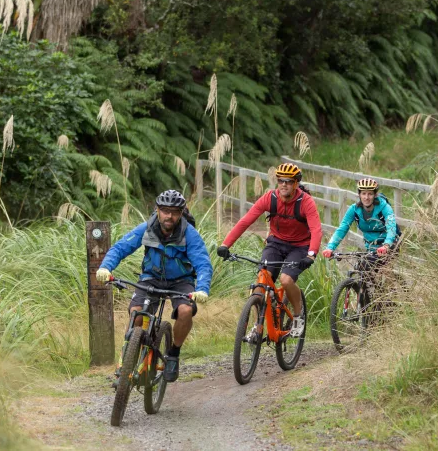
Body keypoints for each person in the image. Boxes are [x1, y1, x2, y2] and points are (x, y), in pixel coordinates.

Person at [96, 190, 213, 383]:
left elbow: (203, 263)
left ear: (181, 212)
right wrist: (105, 267)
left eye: (174, 212)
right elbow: (120, 248)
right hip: (151, 277)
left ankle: (173, 354)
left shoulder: (189, 234)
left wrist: (202, 288)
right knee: (136, 312)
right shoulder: (147, 228)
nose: (169, 216)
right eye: (165, 211)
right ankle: (128, 358)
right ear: (157, 210)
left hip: (181, 280)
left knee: (185, 311)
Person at [216, 163, 323, 339]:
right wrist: (225, 245)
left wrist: (311, 254)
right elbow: (245, 221)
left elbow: (316, 229)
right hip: (275, 243)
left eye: (288, 182)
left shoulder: (306, 202)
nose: (283, 185)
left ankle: (298, 316)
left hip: (300, 246)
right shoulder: (270, 198)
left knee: (286, 280)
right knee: (261, 283)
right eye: (280, 181)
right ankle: (257, 327)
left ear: (296, 184)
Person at [321, 178, 399, 282]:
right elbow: (342, 229)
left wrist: (386, 245)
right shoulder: (354, 209)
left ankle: (379, 295)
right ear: (359, 195)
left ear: (375, 195)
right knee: (361, 269)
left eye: (370, 194)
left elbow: (391, 228)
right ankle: (367, 295)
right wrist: (330, 248)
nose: (367, 197)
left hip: (390, 244)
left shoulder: (384, 207)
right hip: (371, 247)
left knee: (365, 266)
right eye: (364, 194)